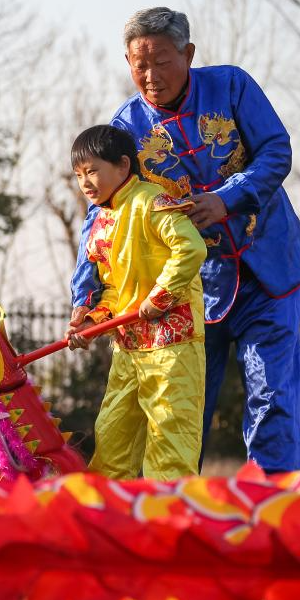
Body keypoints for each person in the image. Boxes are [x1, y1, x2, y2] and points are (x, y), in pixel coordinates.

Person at [70, 8, 300, 473]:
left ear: (188, 54)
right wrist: (85, 296)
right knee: (183, 408)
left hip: (269, 264)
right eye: (139, 65)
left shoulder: (232, 86)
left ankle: (275, 503)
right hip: (189, 288)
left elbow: (276, 149)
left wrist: (227, 198)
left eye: (162, 61)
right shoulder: (126, 128)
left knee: (272, 395)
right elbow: (101, 214)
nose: (151, 76)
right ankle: (179, 510)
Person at [66, 124, 206, 480]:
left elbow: (191, 248)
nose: (85, 183)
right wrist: (92, 322)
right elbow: (113, 288)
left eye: (92, 171)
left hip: (172, 346)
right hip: (127, 347)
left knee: (170, 444)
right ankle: (107, 513)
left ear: (123, 165)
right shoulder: (101, 221)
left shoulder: (153, 201)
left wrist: (160, 297)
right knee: (112, 440)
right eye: (79, 175)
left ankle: (169, 514)